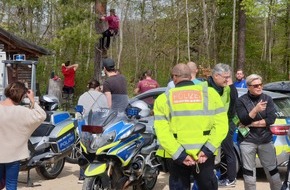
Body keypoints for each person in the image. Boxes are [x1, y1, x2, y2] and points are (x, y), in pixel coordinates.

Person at [154, 63, 228, 190]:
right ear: (190, 76)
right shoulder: (210, 94)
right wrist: (207, 150)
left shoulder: (163, 99)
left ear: (174, 77)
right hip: (204, 156)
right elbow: (222, 126)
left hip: (176, 157)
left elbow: (162, 132)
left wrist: (180, 155)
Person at [236, 74, 281, 190]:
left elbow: (271, 119)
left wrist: (251, 123)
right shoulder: (241, 101)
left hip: (266, 140)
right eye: (256, 85)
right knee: (249, 174)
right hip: (247, 141)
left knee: (273, 173)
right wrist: (255, 110)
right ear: (249, 87)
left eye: (261, 84)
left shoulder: (267, 99)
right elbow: (243, 119)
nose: (259, 87)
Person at [0, 81, 46, 190]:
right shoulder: (23, 112)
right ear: (21, 96)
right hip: (14, 155)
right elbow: (41, 115)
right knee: (11, 184)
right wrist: (32, 99)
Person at [204, 63, 238, 187]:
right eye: (226, 77)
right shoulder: (205, 87)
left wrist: (228, 124)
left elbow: (234, 102)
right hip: (208, 127)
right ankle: (214, 177)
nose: (228, 80)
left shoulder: (228, 88)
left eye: (229, 77)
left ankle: (231, 179)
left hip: (225, 125)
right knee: (212, 153)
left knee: (227, 152)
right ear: (216, 76)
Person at [77, 79, 108, 184]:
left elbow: (78, 113)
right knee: (98, 149)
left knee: (84, 149)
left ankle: (82, 175)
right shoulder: (102, 96)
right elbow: (106, 111)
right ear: (98, 87)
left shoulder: (82, 96)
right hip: (97, 126)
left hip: (85, 125)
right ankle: (98, 173)